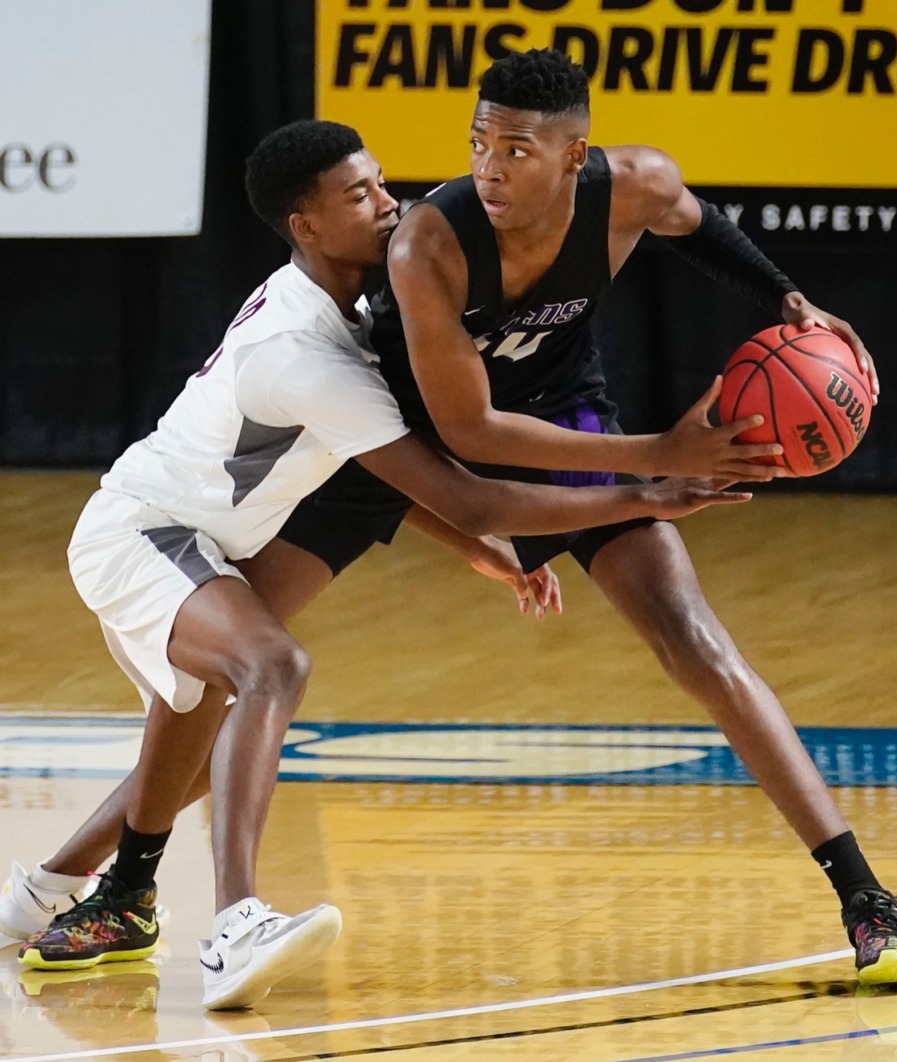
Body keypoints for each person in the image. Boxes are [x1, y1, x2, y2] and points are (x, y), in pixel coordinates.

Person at [6, 118, 753, 1010]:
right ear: (306, 227)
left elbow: (401, 477)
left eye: (381, 181)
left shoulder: (358, 313)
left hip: (200, 543)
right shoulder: (308, 357)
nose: (388, 202)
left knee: (201, 721)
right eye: (358, 195)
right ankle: (234, 923)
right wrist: (647, 486)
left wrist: (479, 550)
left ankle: (57, 892)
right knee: (269, 666)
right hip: (142, 532)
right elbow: (463, 489)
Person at [326, 49, 897, 984]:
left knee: (697, 642)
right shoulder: (430, 246)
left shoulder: (633, 184)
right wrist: (655, 462)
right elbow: (468, 431)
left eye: (518, 149)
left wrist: (786, 299)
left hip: (567, 416)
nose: (489, 166)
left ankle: (867, 899)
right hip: (396, 438)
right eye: (479, 142)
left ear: (576, 156)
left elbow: (696, 224)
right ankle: (119, 881)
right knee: (242, 650)